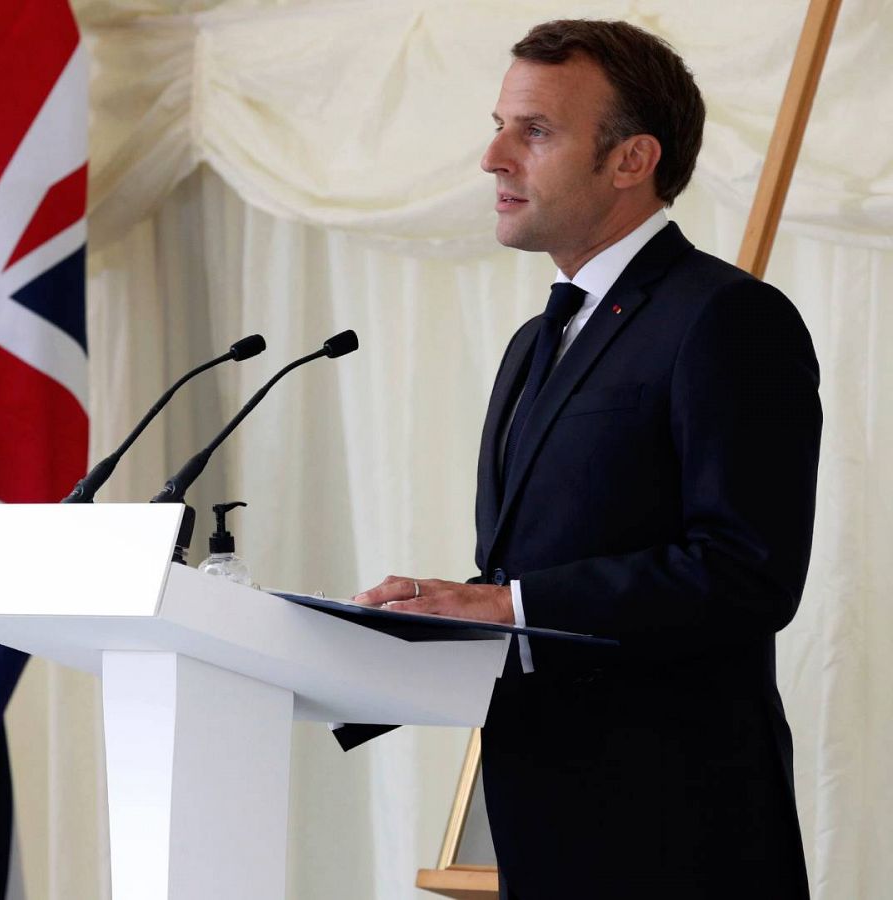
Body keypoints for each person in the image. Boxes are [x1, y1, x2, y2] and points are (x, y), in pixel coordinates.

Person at [339, 20, 821, 899]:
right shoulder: (537, 339)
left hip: (679, 835)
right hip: (544, 817)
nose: (492, 156)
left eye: (534, 131)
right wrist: (432, 622)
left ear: (631, 159)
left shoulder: (728, 319)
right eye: (499, 124)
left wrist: (504, 603)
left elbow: (748, 572)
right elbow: (542, 566)